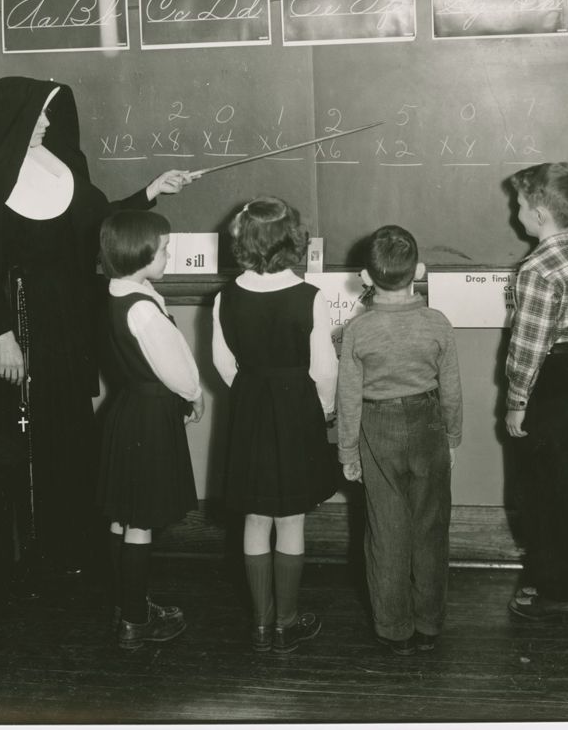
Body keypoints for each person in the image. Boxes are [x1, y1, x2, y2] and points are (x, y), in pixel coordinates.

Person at [0, 76, 194, 603]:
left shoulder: (62, 166)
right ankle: (22, 556)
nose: (49, 124)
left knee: (68, 427)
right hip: (18, 322)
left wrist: (152, 191)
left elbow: (97, 228)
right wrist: (2, 336)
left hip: (67, 320)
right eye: (39, 116)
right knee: (21, 436)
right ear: (13, 119)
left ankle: (70, 547)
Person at [212, 196, 339, 653]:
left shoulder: (225, 296)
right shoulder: (311, 297)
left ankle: (261, 625)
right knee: (290, 518)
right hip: (294, 410)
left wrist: (251, 392)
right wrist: (321, 408)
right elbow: (324, 368)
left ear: (241, 242)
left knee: (253, 516)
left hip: (249, 406)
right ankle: (287, 622)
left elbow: (223, 364)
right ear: (293, 240)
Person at [336, 225, 463, 656]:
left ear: (366, 278)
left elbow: (349, 397)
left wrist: (348, 451)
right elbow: (452, 389)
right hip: (428, 423)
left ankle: (394, 630)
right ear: (420, 272)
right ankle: (429, 625)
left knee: (386, 529)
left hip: (377, 426)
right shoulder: (438, 323)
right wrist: (452, 438)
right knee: (431, 527)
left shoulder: (358, 331)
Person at [96, 209, 205, 650]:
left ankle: (128, 602)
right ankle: (136, 623)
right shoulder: (142, 308)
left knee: (124, 518)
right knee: (139, 522)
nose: (167, 255)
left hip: (128, 411)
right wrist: (195, 394)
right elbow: (175, 365)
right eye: (162, 250)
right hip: (148, 414)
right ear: (138, 252)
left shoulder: (122, 291)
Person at [502, 162, 568, 620]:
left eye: (520, 204)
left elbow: (527, 346)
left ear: (540, 213)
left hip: (549, 382)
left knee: (544, 491)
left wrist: (517, 403)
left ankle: (559, 591)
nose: (515, 211)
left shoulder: (537, 269)